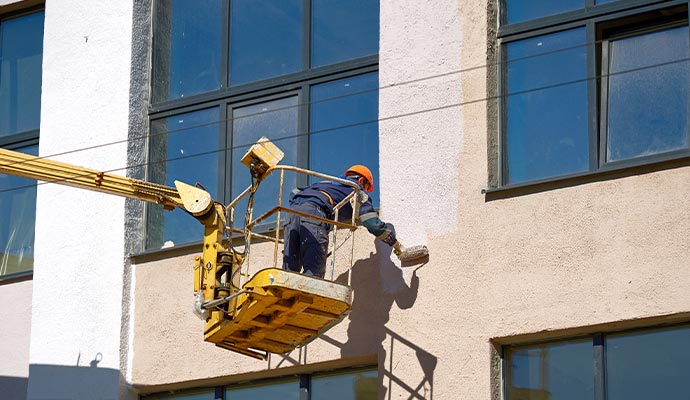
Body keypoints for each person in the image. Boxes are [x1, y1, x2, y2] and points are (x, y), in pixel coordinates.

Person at [282, 165, 398, 278]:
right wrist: (394, 243)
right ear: (361, 181)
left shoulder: (327, 183)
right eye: (367, 188)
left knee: (289, 272)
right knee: (314, 273)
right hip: (314, 214)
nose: (366, 191)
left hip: (291, 214)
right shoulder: (356, 190)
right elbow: (372, 224)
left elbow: (294, 192)